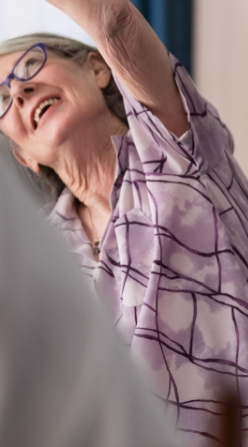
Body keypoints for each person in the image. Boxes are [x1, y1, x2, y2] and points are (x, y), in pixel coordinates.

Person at [0, 0, 248, 445]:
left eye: (29, 67)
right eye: (2, 102)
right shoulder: (36, 250)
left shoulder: (176, 152)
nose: (19, 94)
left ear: (98, 70)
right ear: (24, 157)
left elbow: (114, 21)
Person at [0, 153, 175, 447]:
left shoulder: (178, 175)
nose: (20, 103)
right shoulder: (37, 242)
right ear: (24, 156)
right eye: (5, 104)